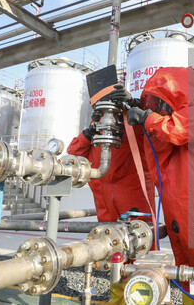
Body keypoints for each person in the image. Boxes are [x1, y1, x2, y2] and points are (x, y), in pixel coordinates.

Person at [119, 66, 194, 305]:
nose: (157, 106)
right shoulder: (168, 120)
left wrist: (146, 116)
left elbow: (175, 131)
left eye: (159, 99)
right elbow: (159, 136)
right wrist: (135, 103)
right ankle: (192, 301)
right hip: (179, 208)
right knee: (187, 269)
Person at [66, 91, 155, 304]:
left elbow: (153, 135)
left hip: (134, 201)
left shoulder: (133, 130)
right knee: (113, 254)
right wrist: (89, 132)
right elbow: (74, 151)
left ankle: (140, 298)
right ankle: (118, 299)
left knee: (139, 255)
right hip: (106, 204)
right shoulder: (95, 133)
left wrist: (135, 107)